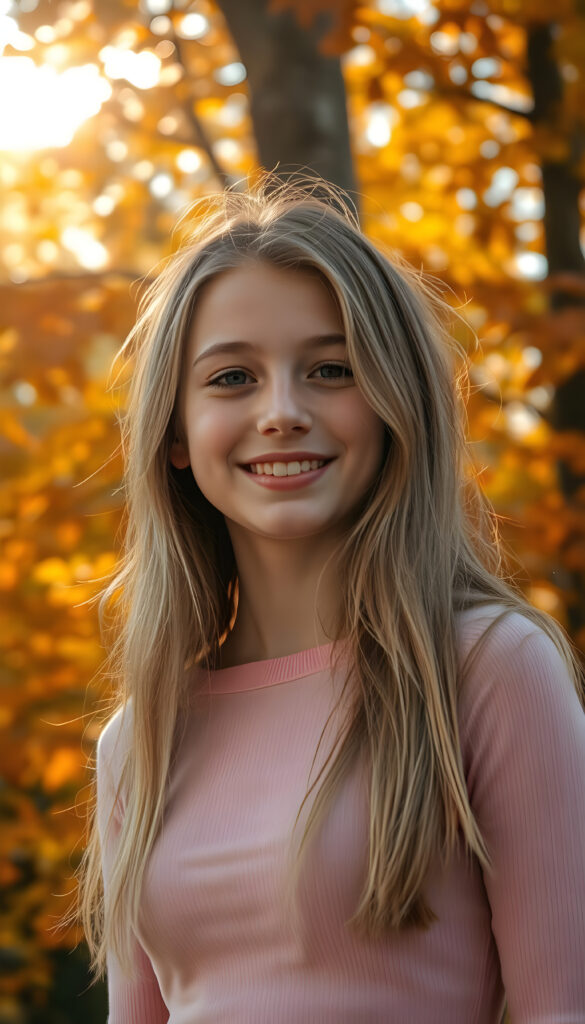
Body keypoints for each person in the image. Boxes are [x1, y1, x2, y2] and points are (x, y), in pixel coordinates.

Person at [79, 177, 585, 1023]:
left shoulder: (488, 667)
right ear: (173, 433)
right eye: (233, 377)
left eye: (329, 370)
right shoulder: (139, 739)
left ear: (395, 405)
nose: (281, 412)